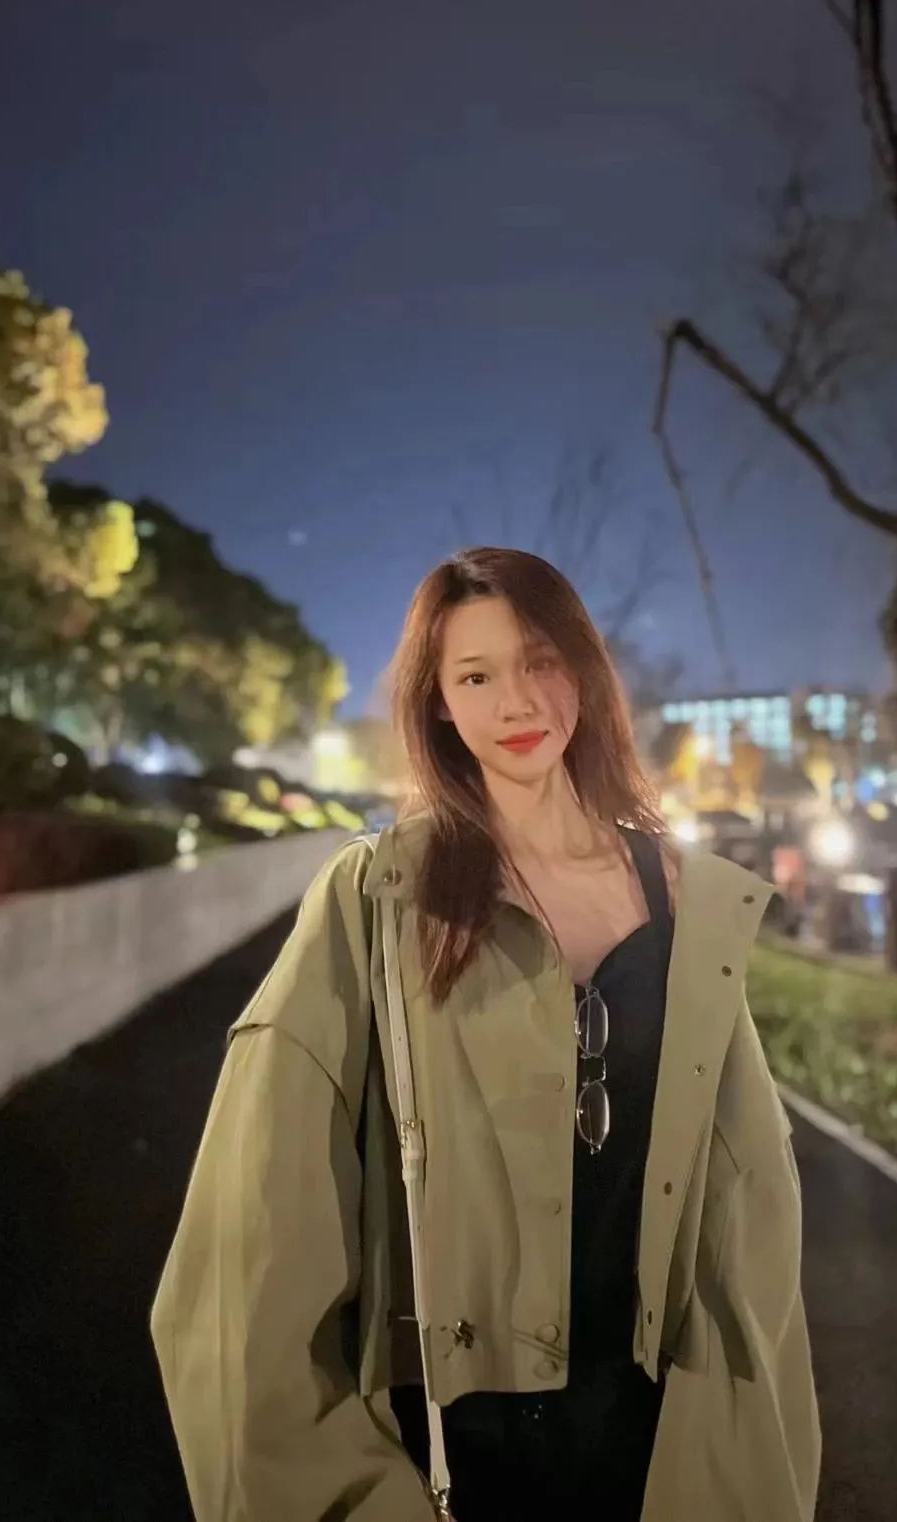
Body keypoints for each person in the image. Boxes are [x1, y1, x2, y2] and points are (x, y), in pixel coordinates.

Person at [151, 547, 820, 1522]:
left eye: (540, 660)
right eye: (475, 676)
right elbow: (251, 1235)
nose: (517, 701)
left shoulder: (686, 899)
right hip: (455, 1448)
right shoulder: (381, 896)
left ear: (583, 669)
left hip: (650, 1438)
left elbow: (750, 1210)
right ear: (437, 704)